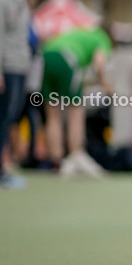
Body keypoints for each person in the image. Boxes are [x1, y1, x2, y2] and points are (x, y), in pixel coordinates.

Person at [40, 24, 113, 178]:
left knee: (53, 114)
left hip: (46, 56)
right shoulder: (102, 39)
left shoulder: (82, 33)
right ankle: (76, 155)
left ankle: (56, 160)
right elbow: (99, 64)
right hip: (67, 58)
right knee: (76, 111)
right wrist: (104, 84)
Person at [0, 0, 32, 188]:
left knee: (11, 117)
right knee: (3, 118)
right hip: (7, 65)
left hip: (21, 64)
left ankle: (6, 165)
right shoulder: (3, 1)